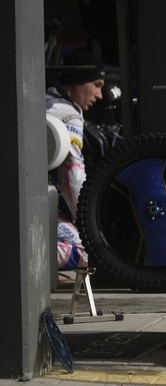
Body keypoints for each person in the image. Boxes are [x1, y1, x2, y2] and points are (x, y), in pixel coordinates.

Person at [46, 52, 106, 270]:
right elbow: (72, 177)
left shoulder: (47, 102)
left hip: (23, 202)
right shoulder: (68, 114)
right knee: (91, 252)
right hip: (32, 205)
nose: (100, 95)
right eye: (97, 84)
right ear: (78, 81)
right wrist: (88, 225)